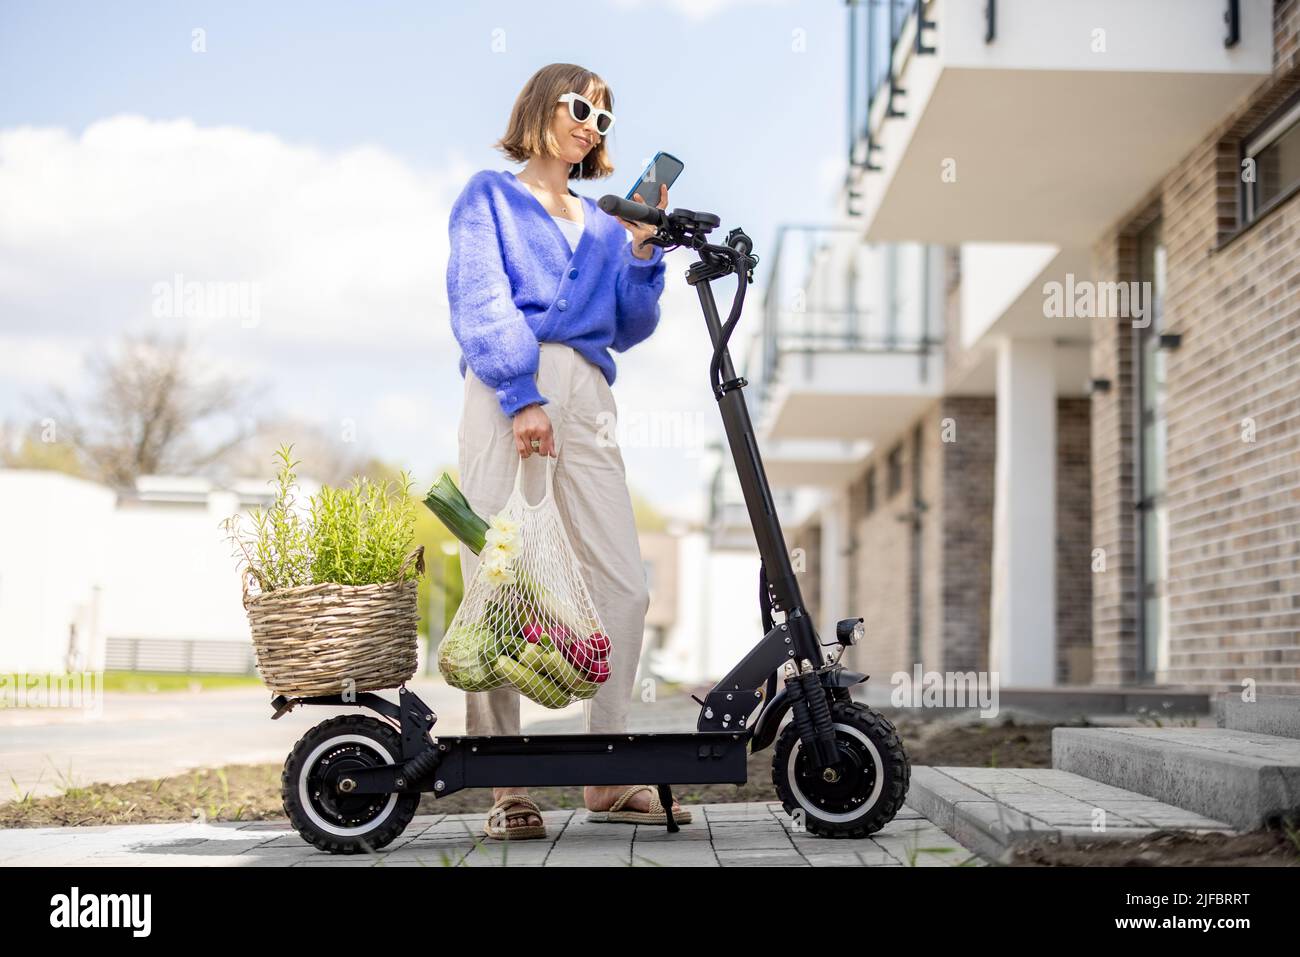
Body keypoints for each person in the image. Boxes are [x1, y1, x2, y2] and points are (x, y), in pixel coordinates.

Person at [445, 62, 691, 840]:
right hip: (507, 388)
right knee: (496, 580)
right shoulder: (489, 196)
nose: (591, 124)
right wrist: (521, 395)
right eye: (581, 106)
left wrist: (645, 254)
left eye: (604, 119)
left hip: (590, 396)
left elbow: (629, 323)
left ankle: (607, 771)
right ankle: (506, 782)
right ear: (541, 106)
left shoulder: (600, 220)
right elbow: (480, 297)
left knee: (623, 582)